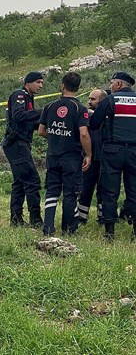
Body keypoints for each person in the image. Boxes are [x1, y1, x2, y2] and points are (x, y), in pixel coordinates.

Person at [37, 72, 92, 236]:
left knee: (52, 191)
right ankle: (69, 230)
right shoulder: (80, 109)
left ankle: (48, 227)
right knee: (70, 192)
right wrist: (88, 154)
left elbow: (41, 131)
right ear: (78, 87)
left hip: (53, 156)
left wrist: (56, 137)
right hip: (72, 157)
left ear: (62, 85)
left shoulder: (49, 106)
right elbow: (83, 134)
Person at [89, 71, 136, 241]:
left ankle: (109, 233)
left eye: (112, 83)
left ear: (118, 84)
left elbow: (94, 123)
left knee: (109, 191)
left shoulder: (110, 100)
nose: (110, 86)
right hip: (134, 152)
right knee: (134, 190)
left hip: (112, 151)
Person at [2, 71, 45, 228]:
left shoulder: (29, 97)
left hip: (22, 143)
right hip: (16, 143)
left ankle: (16, 219)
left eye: (42, 82)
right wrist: (43, 112)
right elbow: (19, 116)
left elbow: (28, 122)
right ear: (28, 83)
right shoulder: (19, 95)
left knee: (20, 182)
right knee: (32, 180)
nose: (41, 86)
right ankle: (36, 220)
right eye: (38, 82)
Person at [77, 88, 108, 225]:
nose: (89, 101)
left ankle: (103, 217)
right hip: (89, 158)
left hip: (105, 158)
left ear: (102, 101)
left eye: (93, 99)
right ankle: (81, 217)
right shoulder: (86, 115)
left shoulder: (108, 115)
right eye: (89, 98)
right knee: (85, 188)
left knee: (104, 189)